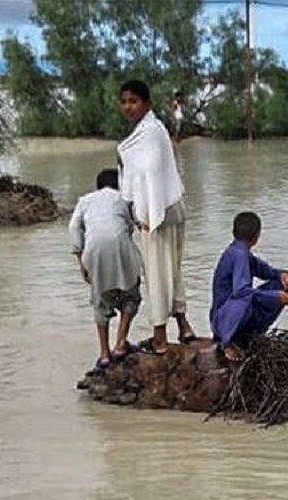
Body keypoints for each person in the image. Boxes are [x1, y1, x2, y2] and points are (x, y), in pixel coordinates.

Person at [116, 79, 196, 355]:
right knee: (172, 270)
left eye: (134, 101)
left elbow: (149, 170)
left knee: (157, 274)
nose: (128, 106)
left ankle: (160, 336)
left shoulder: (149, 132)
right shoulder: (153, 129)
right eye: (124, 102)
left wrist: (147, 213)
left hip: (158, 213)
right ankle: (184, 326)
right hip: (171, 206)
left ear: (146, 103)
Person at [70, 167, 143, 367]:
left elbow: (74, 227)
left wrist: (81, 261)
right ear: (119, 184)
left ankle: (103, 354)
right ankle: (120, 344)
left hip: (94, 251)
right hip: (122, 247)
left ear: (98, 186)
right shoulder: (125, 198)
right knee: (131, 294)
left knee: (101, 301)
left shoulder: (85, 201)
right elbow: (140, 221)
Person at [210, 211, 288, 361]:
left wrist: (283, 274)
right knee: (247, 298)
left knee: (281, 285)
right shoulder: (238, 255)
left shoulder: (242, 253)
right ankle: (227, 342)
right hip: (223, 320)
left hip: (228, 315)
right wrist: (274, 297)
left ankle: (248, 335)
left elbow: (265, 271)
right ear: (256, 237)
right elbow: (241, 292)